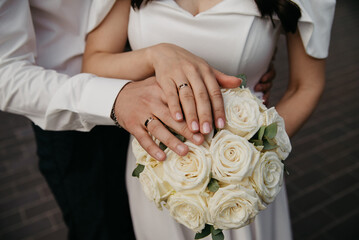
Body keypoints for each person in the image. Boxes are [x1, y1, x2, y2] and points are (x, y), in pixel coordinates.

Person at [0, 0, 274, 239]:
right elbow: (6, 71)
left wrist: (249, 51)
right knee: (102, 228)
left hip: (158, 95)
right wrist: (116, 96)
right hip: (67, 110)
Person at [81, 0, 336, 239]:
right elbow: (94, 63)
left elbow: (306, 85)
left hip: (240, 175)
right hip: (157, 164)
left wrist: (255, 155)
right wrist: (156, 56)